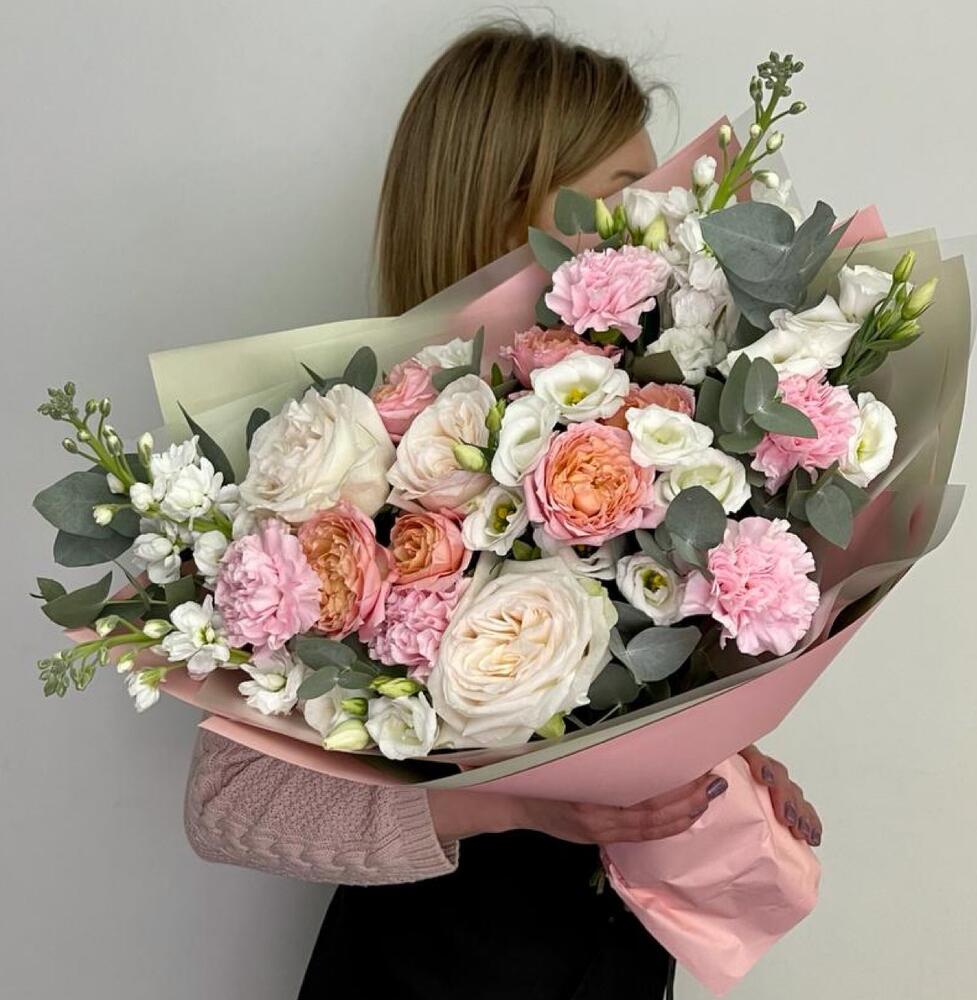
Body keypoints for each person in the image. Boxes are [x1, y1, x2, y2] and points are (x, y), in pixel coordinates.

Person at [184, 21, 823, 1000]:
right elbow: (228, 805)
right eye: (630, 193)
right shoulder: (346, 471)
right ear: (506, 205)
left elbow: (616, 708)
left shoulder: (636, 439)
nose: (661, 225)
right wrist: (514, 805)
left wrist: (714, 768)